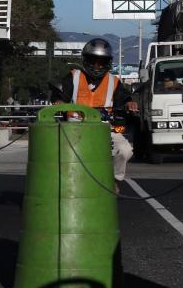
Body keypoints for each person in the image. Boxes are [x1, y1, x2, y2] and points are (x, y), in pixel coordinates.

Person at [56, 37, 139, 188]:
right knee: (57, 152)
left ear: (107, 63)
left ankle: (113, 179)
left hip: (104, 129)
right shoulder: (73, 77)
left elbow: (124, 98)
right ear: (85, 60)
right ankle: (64, 184)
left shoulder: (114, 82)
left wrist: (130, 102)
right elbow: (59, 95)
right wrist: (59, 102)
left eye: (101, 62)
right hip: (74, 129)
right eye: (93, 60)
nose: (96, 65)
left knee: (125, 150)